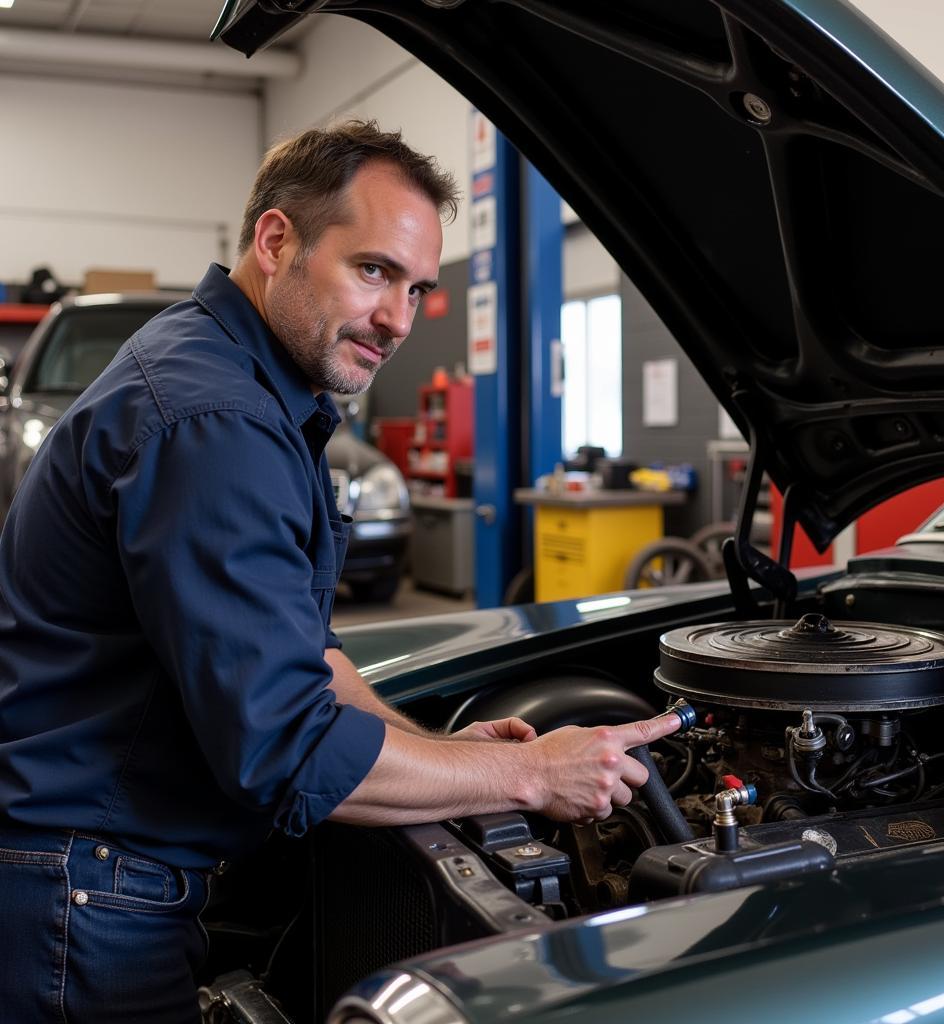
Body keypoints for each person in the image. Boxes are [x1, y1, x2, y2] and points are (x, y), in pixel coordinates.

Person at [0, 121, 680, 1022]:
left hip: (96, 871)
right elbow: (286, 748)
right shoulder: (216, 421)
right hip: (85, 894)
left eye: (419, 288)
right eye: (374, 271)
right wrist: (530, 777)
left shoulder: (236, 379)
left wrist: (445, 758)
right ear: (276, 240)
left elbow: (303, 660)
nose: (399, 319)